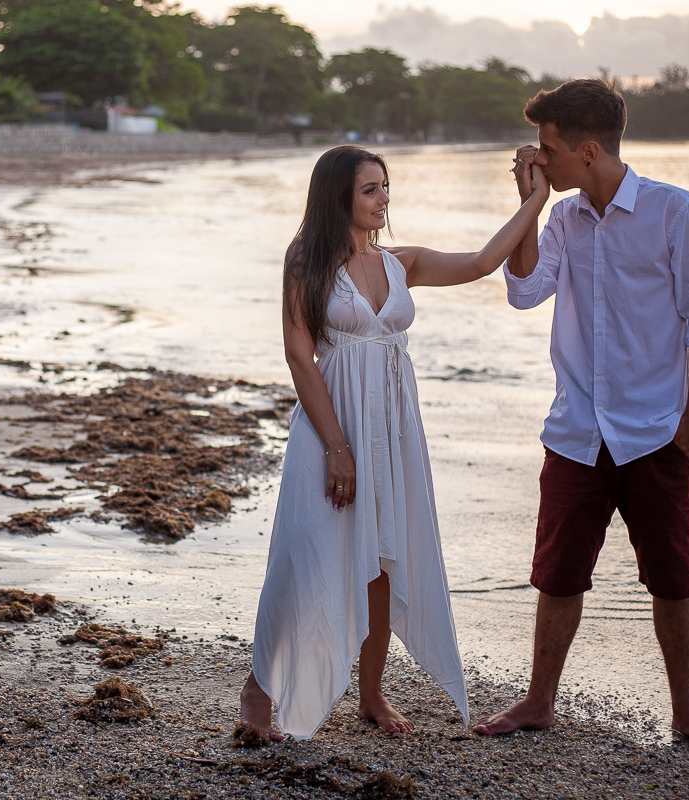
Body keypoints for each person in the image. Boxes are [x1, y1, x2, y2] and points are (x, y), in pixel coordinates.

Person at [237, 144, 551, 742]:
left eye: (386, 187)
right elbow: (299, 355)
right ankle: (259, 690)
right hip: (330, 427)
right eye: (370, 190)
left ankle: (372, 693)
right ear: (339, 197)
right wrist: (336, 447)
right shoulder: (306, 259)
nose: (384, 200)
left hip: (392, 430)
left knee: (383, 559)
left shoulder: (401, 262)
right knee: (303, 555)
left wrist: (534, 198)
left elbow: (484, 262)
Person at [472, 78, 689, 754]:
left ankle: (687, 712)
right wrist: (531, 201)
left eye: (547, 150)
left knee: (672, 579)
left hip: (656, 434)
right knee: (558, 573)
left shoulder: (676, 213)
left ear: (587, 150)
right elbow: (527, 292)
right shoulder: (561, 218)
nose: (538, 157)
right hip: (576, 433)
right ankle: (539, 702)